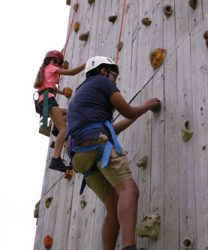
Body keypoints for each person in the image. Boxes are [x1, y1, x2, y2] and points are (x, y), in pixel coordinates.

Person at [66, 56, 161, 250]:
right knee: (129, 190)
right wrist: (148, 105)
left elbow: (111, 129)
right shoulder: (101, 81)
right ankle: (129, 247)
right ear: (103, 70)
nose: (115, 81)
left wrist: (140, 112)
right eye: (114, 75)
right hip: (97, 145)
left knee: (113, 204)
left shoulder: (79, 96)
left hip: (80, 157)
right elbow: (128, 111)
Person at [34, 50, 85, 172]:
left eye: (59, 62)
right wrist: (86, 65)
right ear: (48, 62)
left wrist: (63, 92)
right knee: (64, 129)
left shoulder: (47, 72)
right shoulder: (51, 68)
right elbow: (72, 73)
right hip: (47, 100)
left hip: (45, 100)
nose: (56, 64)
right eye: (54, 61)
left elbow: (52, 89)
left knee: (70, 112)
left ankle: (57, 131)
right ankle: (56, 159)